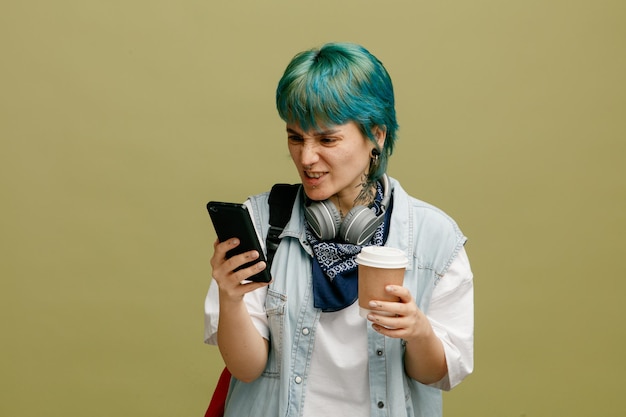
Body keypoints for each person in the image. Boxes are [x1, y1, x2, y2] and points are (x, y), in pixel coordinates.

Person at [204, 42, 474, 417]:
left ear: (376, 135)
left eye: (327, 139)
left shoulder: (435, 240)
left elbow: (436, 375)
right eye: (295, 137)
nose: (306, 158)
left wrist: (418, 331)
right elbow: (246, 368)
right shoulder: (261, 221)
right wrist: (231, 299)